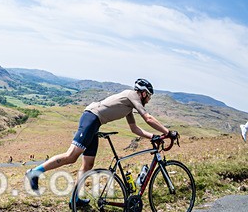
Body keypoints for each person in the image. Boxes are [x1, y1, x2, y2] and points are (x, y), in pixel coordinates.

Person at [25, 79, 177, 202]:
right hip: (91, 117)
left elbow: (134, 129)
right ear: (143, 93)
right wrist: (167, 132)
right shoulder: (132, 95)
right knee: (71, 156)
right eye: (149, 96)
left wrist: (153, 136)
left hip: (95, 123)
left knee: (88, 164)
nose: (149, 100)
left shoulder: (129, 106)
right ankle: (34, 172)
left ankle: (75, 199)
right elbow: (148, 118)